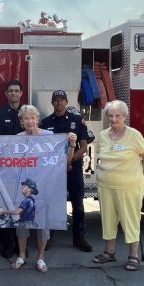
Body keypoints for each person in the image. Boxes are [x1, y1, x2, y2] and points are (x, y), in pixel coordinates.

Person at [0, 104, 77, 273]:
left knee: (43, 224)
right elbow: (9, 162)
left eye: (33, 118)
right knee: (22, 223)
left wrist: (71, 144)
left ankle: (40, 258)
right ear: (21, 121)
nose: (30, 121)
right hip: (24, 189)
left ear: (37, 120)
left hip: (45, 187)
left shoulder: (50, 137)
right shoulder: (17, 139)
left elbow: (65, 161)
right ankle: (21, 256)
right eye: (26, 118)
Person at [92, 100, 144, 271]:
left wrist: (139, 178)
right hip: (106, 186)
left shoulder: (134, 135)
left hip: (129, 186)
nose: (114, 119)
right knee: (108, 219)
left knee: (130, 220)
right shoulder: (103, 135)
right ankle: (109, 252)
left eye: (118, 115)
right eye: (110, 115)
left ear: (124, 116)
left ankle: (133, 256)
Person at [40, 90, 92, 252]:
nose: (59, 103)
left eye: (62, 100)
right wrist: (59, 164)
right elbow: (43, 148)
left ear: (67, 101)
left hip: (73, 168)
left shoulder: (77, 120)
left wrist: (70, 161)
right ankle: (48, 238)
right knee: (53, 204)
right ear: (52, 102)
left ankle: (79, 238)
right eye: (56, 100)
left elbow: (83, 146)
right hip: (54, 170)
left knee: (78, 204)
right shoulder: (45, 122)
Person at [0, 79, 24, 258]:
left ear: (21, 93)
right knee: (5, 206)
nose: (13, 93)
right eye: (10, 91)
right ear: (6, 94)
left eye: (16, 90)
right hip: (5, 170)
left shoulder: (27, 113)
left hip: (24, 170)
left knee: (20, 207)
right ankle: (7, 246)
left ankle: (21, 246)